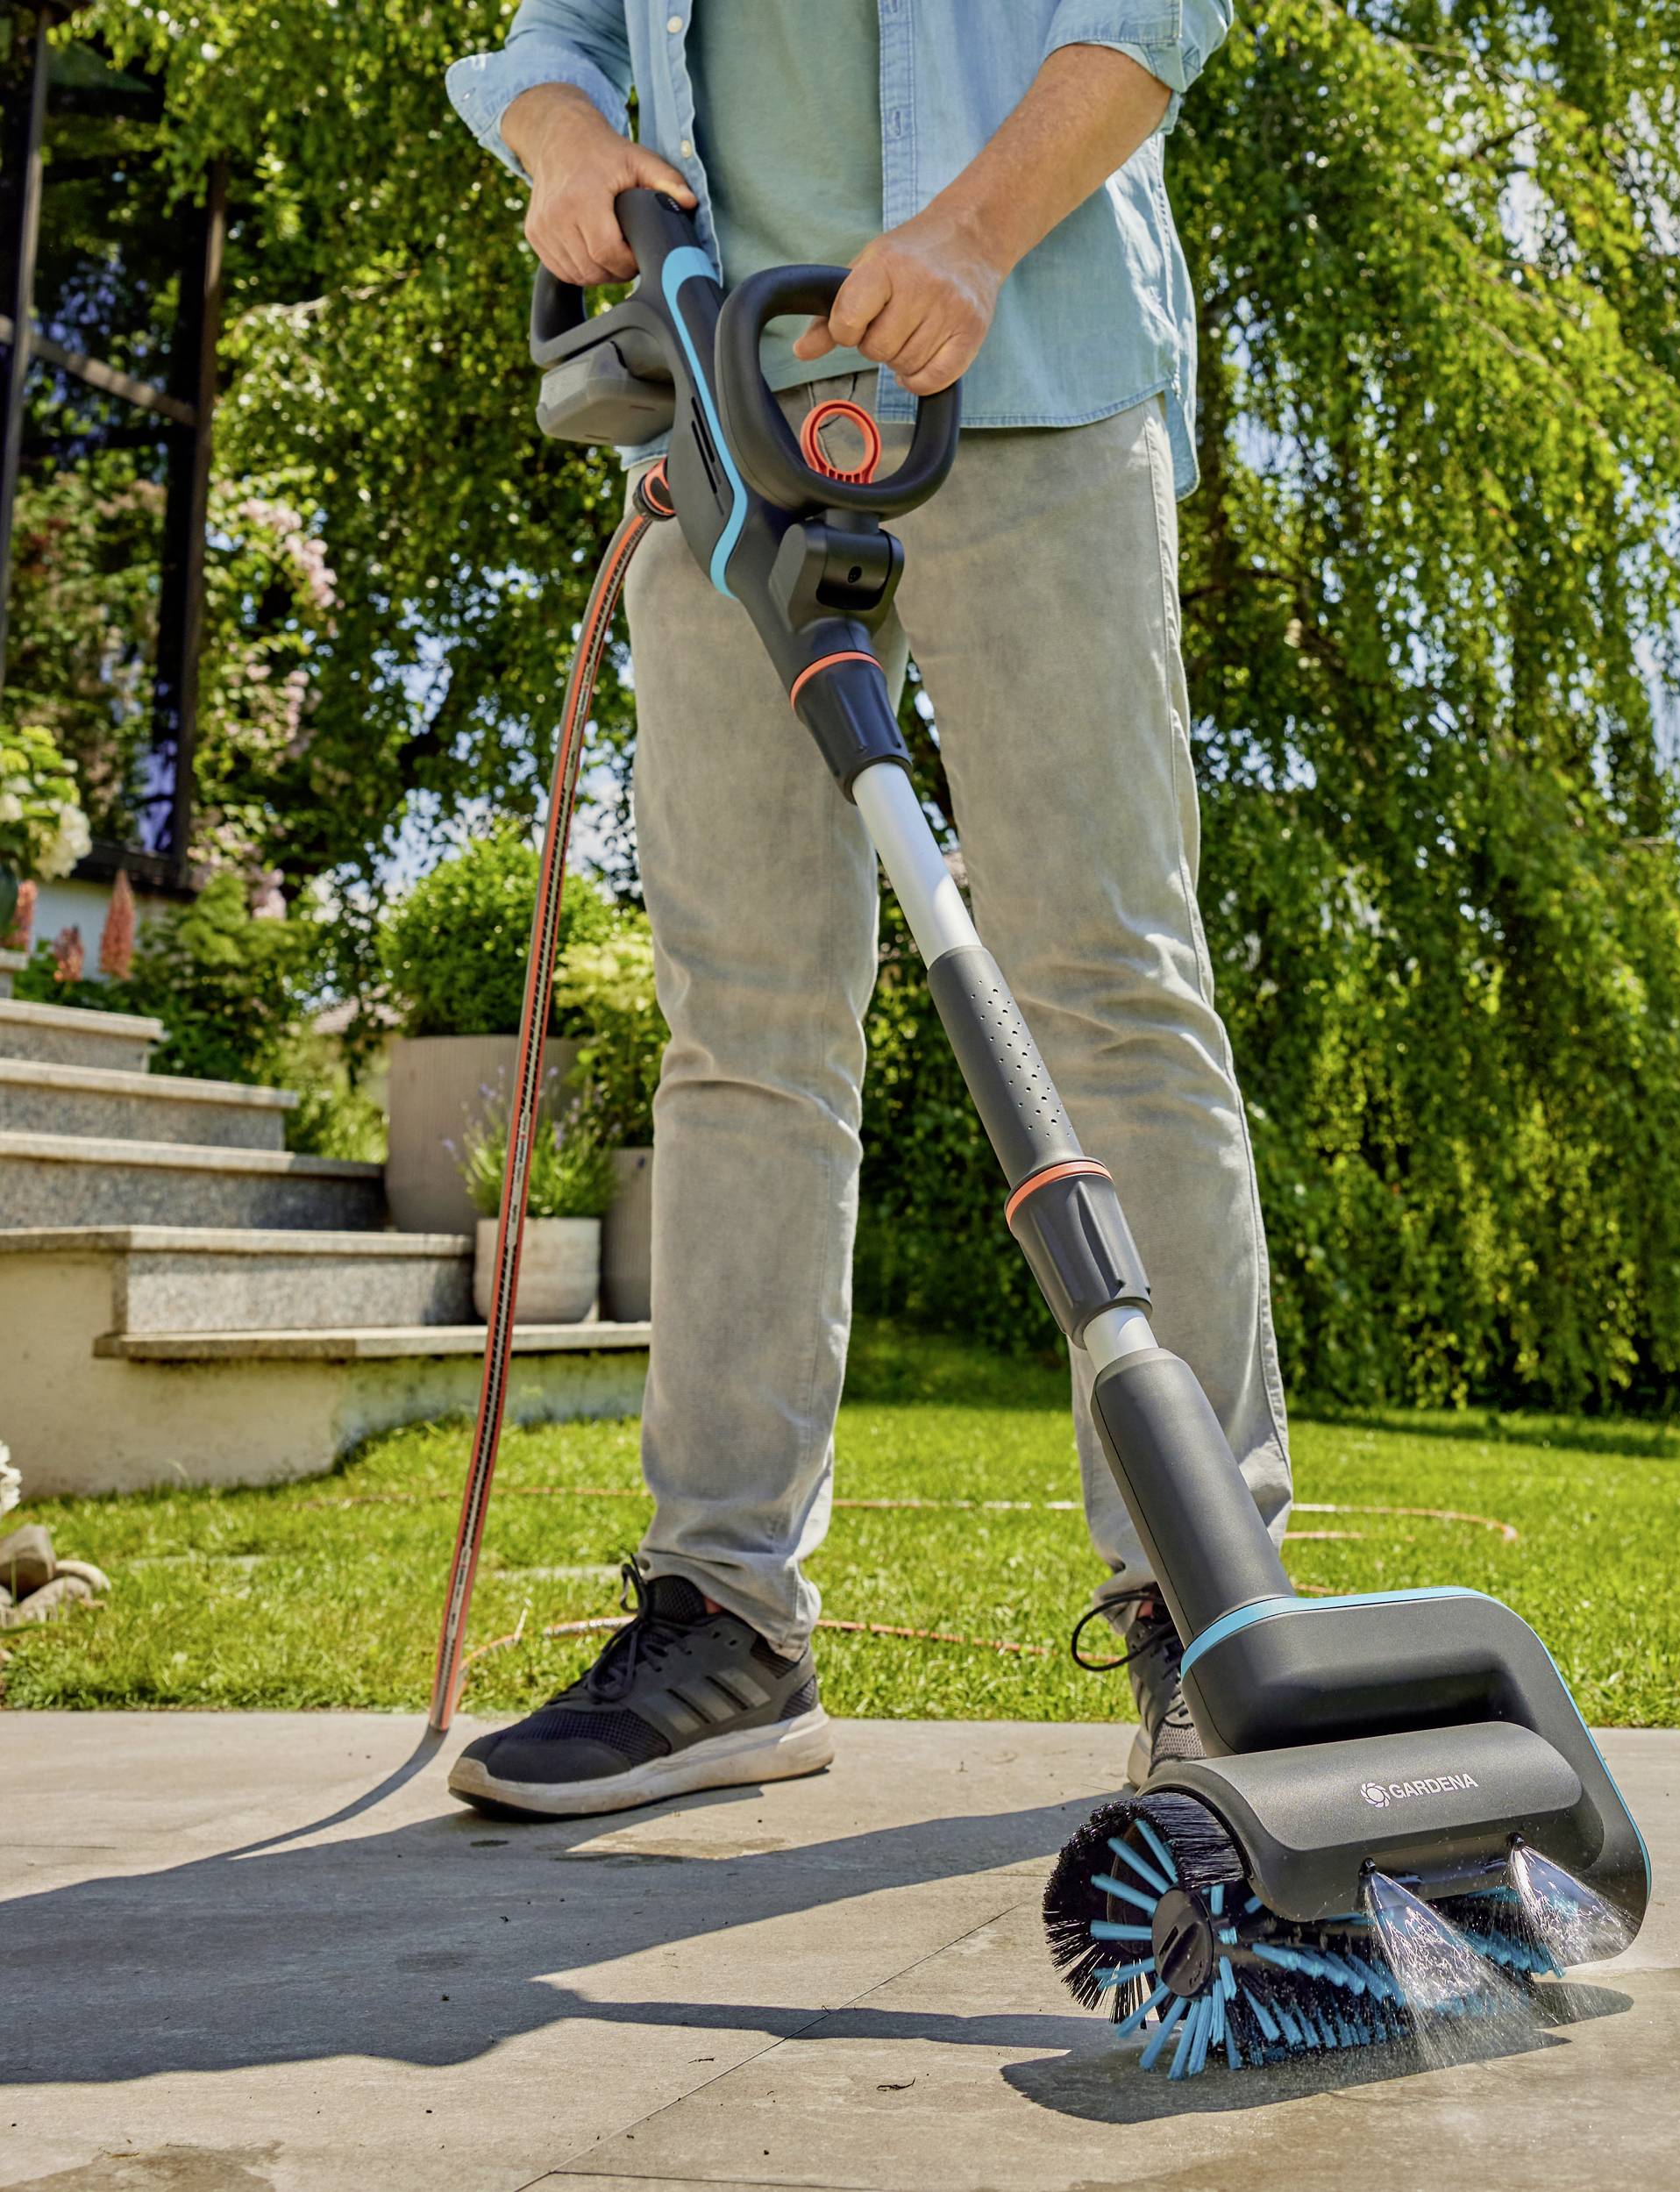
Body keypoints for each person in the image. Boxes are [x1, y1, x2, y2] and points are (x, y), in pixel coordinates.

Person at [442, 1, 1290, 1818]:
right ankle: (726, 1622)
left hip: (1031, 378)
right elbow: (556, 32)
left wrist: (971, 234)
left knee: (1107, 984)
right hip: (726, 408)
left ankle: (1211, 1605)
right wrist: (563, 145)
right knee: (741, 1016)